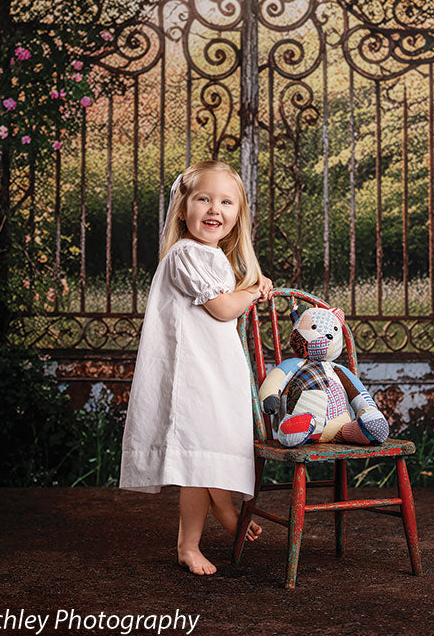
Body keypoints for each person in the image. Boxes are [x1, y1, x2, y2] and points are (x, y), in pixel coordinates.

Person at [119, 160, 273, 576]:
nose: (214, 209)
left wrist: (247, 288)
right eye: (203, 198)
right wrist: (252, 291)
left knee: (215, 447)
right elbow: (223, 309)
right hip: (191, 378)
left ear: (237, 215)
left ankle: (224, 507)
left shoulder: (214, 256)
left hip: (215, 374)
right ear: (183, 208)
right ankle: (191, 542)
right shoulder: (185, 254)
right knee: (198, 456)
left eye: (225, 201)